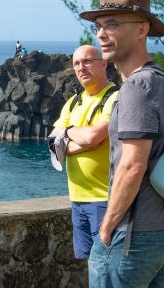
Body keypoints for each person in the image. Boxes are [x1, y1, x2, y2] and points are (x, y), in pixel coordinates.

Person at [80, 0, 164, 288]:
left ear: (142, 29)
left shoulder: (136, 87)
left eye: (113, 24)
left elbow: (132, 165)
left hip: (133, 235)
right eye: (99, 26)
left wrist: (106, 230)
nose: (102, 33)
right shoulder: (161, 80)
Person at [50, 45, 118, 259]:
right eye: (77, 63)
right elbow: (53, 142)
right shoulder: (73, 103)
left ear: (104, 63)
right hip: (77, 199)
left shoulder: (115, 98)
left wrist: (68, 132)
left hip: (104, 199)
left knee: (107, 264)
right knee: (88, 264)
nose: (82, 67)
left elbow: (92, 136)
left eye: (87, 61)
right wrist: (84, 144)